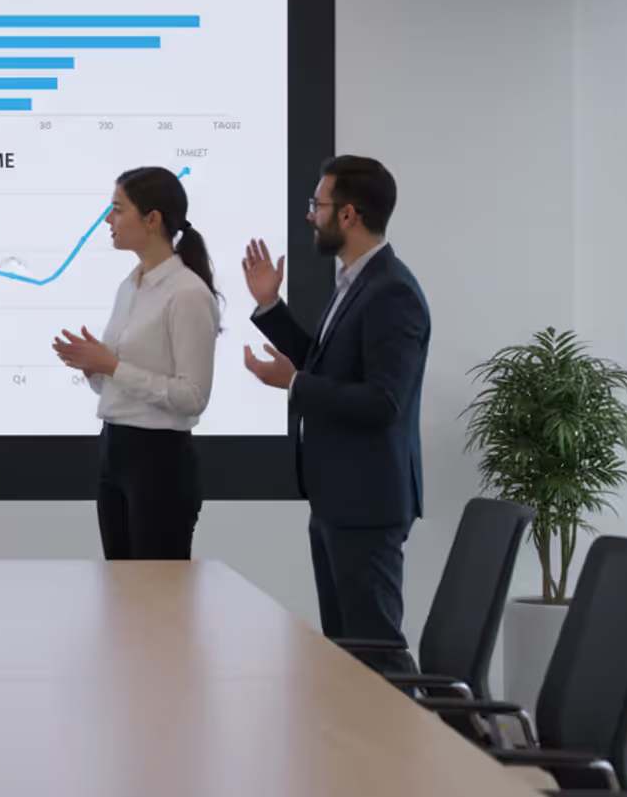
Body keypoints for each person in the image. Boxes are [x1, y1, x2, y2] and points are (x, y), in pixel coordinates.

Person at [241, 156, 429, 658]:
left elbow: (384, 402)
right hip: (337, 499)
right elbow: (329, 367)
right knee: (346, 656)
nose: (310, 215)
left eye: (317, 205)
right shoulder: (357, 282)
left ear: (348, 214)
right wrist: (270, 308)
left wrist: (294, 384)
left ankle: (400, 717)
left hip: (366, 504)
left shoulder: (391, 292)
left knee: (375, 653)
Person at [52, 167, 220, 560]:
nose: (108, 220)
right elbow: (116, 382)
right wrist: (94, 368)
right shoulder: (129, 286)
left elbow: (193, 396)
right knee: (118, 584)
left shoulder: (187, 293)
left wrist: (112, 366)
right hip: (114, 450)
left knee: (157, 589)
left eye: (118, 209)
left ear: (152, 219)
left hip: (160, 460)